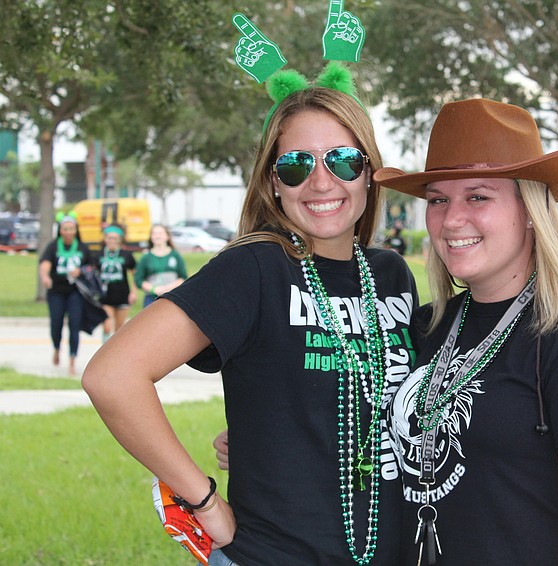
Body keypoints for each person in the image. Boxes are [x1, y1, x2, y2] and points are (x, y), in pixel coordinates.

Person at [83, 63, 418, 566]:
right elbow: (113, 375)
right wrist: (201, 498)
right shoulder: (254, 267)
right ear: (272, 182)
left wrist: (260, 432)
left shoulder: (391, 274)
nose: (321, 182)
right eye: (296, 166)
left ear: (370, 172)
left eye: (344, 160)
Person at [374, 98, 558, 565]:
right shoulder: (424, 327)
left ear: (530, 209)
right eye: (439, 199)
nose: (452, 218)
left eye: (478, 196)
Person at [38, 213, 95, 374]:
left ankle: (72, 359)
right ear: (60, 231)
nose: (69, 232)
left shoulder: (83, 247)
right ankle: (56, 347)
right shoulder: (53, 246)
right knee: (56, 322)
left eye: (71, 229)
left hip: (75, 292)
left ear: (76, 230)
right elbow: (45, 263)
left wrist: (81, 270)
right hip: (56, 291)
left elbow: (91, 267)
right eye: (65, 229)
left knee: (74, 324)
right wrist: (45, 277)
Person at [98, 225, 137, 341]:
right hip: (105, 296)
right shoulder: (98, 255)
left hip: (122, 295)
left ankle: (116, 355)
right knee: (106, 326)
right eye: (109, 238)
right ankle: (104, 351)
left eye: (115, 238)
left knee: (119, 330)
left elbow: (135, 274)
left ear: (120, 240)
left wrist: (134, 292)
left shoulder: (126, 255)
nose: (112, 241)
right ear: (105, 239)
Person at [134, 224, 187, 307]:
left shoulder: (175, 255)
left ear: (167, 236)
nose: (157, 236)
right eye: (154, 233)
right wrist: (154, 289)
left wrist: (169, 288)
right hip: (151, 298)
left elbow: (183, 277)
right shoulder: (146, 257)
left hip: (172, 297)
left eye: (160, 233)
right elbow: (138, 280)